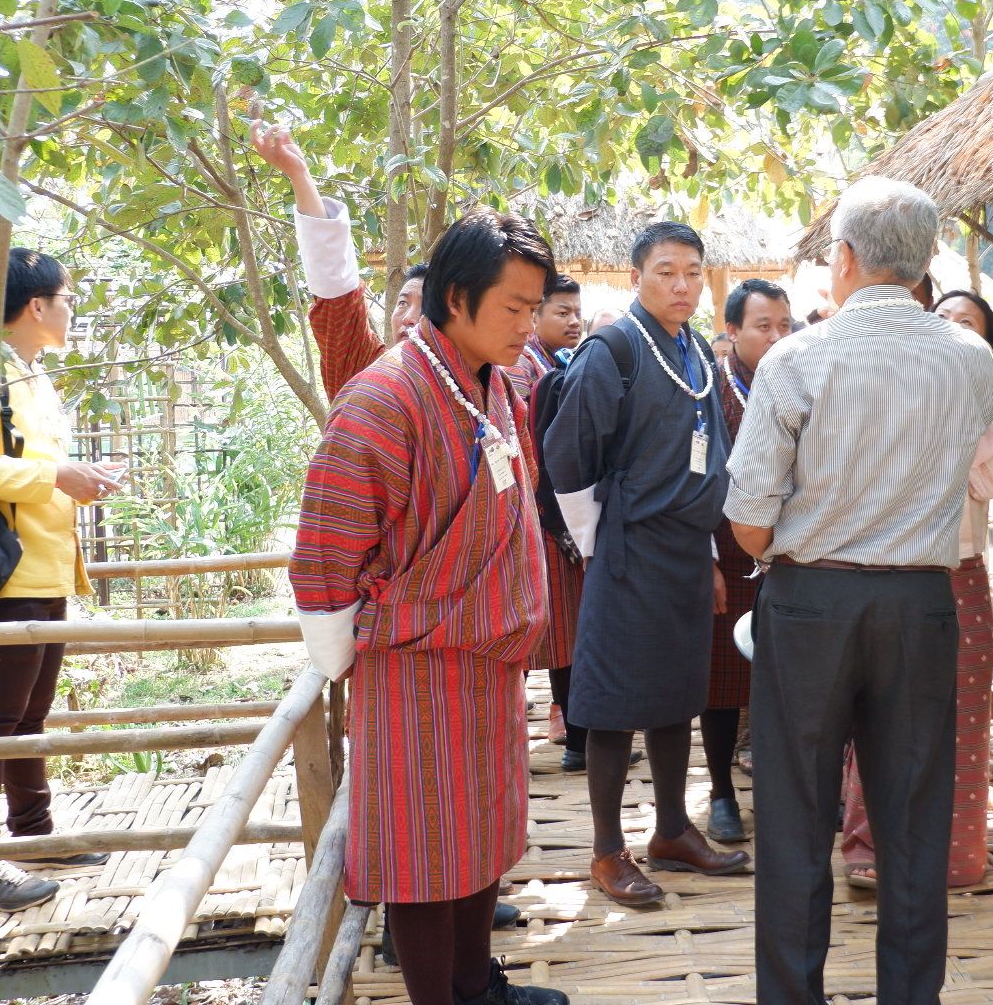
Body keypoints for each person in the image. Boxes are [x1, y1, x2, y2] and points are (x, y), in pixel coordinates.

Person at [724, 177, 993, 1005]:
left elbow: (746, 517)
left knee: (794, 820)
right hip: (922, 603)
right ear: (924, 266)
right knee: (914, 824)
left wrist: (803, 547)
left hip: (810, 601)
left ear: (842, 260)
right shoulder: (971, 356)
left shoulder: (797, 357)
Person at [291, 209, 567, 1005]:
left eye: (533, 306)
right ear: (456, 296)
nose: (528, 324)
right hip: (414, 667)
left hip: (488, 660)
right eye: (513, 308)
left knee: (479, 835)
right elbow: (325, 553)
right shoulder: (383, 400)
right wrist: (340, 654)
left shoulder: (496, 383)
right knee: (422, 855)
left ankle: (478, 986)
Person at [544, 221, 750, 907]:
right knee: (611, 703)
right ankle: (607, 852)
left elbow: (709, 449)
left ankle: (671, 830)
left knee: (676, 693)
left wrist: (710, 553)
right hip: (628, 548)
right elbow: (568, 454)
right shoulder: (615, 348)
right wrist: (601, 540)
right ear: (637, 278)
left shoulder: (691, 346)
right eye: (666, 271)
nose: (682, 284)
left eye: (692, 272)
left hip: (685, 552)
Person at [0, 247, 120, 912]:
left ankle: (33, 834)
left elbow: (31, 464)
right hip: (3, 572)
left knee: (25, 714)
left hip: (42, 567)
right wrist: (55, 477)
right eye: (67, 297)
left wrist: (74, 479)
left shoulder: (30, 376)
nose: (72, 310)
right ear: (35, 306)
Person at [836, 288, 993, 891]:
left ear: (986, 347)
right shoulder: (892, 394)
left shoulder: (992, 408)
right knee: (882, 711)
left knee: (962, 720)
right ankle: (869, 845)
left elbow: (989, 478)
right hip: (893, 571)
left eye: (968, 326)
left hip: (959, 574)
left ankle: (954, 854)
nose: (953, 334)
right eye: (942, 322)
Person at [704, 278, 793, 844]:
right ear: (732, 331)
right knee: (721, 683)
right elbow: (695, 481)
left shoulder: (802, 382)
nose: (777, 337)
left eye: (784, 326)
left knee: (790, 682)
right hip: (728, 555)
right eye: (763, 327)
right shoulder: (707, 391)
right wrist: (703, 558)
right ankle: (719, 793)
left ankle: (788, 795)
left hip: (790, 555)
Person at [252, 122, 421, 401]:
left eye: (426, 307)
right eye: (403, 303)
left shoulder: (485, 384)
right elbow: (337, 297)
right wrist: (299, 175)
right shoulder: (367, 369)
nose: (409, 318)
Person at [512, 274, 586, 755]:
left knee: (567, 630)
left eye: (577, 311)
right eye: (562, 312)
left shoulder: (563, 362)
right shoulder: (521, 368)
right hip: (541, 518)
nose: (574, 320)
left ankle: (579, 736)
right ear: (535, 315)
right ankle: (573, 738)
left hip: (558, 517)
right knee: (560, 630)